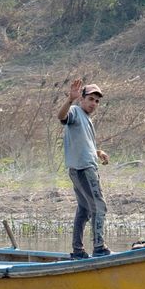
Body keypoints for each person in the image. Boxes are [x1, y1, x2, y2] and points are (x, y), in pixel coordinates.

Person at [58, 79, 110, 259]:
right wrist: (69, 100)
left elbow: (83, 145)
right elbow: (61, 116)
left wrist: (98, 152)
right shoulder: (75, 111)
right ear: (82, 99)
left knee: (84, 209)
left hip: (82, 167)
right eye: (91, 99)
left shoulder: (86, 119)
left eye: (97, 101)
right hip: (84, 169)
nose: (94, 103)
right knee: (99, 207)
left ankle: (78, 251)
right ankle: (99, 247)